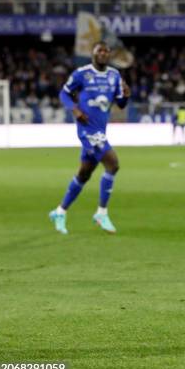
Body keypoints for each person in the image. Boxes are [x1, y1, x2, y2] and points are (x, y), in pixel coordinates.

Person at [49, 41, 130, 235]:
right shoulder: (81, 73)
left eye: (106, 51)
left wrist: (126, 95)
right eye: (99, 50)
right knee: (113, 164)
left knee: (84, 174)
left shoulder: (114, 75)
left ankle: (60, 211)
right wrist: (75, 109)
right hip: (87, 130)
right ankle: (101, 213)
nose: (103, 53)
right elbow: (64, 93)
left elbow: (120, 104)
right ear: (93, 54)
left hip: (101, 130)